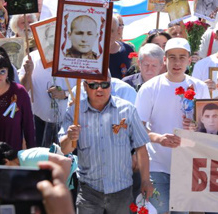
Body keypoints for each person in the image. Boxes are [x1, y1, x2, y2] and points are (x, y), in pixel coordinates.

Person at [135, 37, 210, 214]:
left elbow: (209, 128)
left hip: (187, 166)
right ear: (164, 60)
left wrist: (196, 126)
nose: (177, 62)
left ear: (189, 60)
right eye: (172, 57)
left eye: (182, 57)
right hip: (157, 165)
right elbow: (137, 129)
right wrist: (158, 138)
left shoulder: (200, 87)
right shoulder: (150, 87)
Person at [59, 76, 153, 214]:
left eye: (104, 84)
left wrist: (145, 180)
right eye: (93, 85)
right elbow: (65, 149)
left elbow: (141, 147)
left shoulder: (127, 109)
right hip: (89, 191)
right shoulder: (75, 112)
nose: (99, 89)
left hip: (122, 190)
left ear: (111, 85)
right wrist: (69, 137)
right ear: (85, 87)